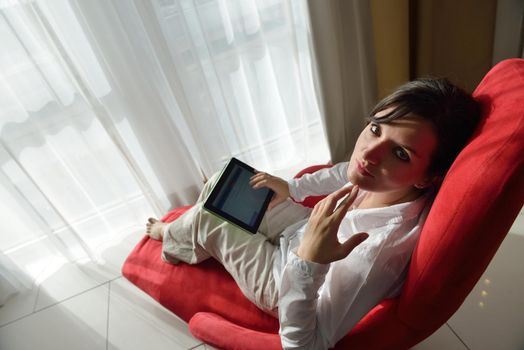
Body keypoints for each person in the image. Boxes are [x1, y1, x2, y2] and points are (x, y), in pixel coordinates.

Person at [146, 78, 481, 349]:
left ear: (429, 178)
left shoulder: (374, 254)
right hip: (302, 229)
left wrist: (308, 261)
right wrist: (291, 187)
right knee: (229, 181)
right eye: (377, 128)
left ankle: (171, 240)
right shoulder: (379, 177)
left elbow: (306, 344)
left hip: (285, 282)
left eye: (400, 153)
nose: (370, 154)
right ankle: (195, 230)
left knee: (212, 218)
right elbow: (344, 170)